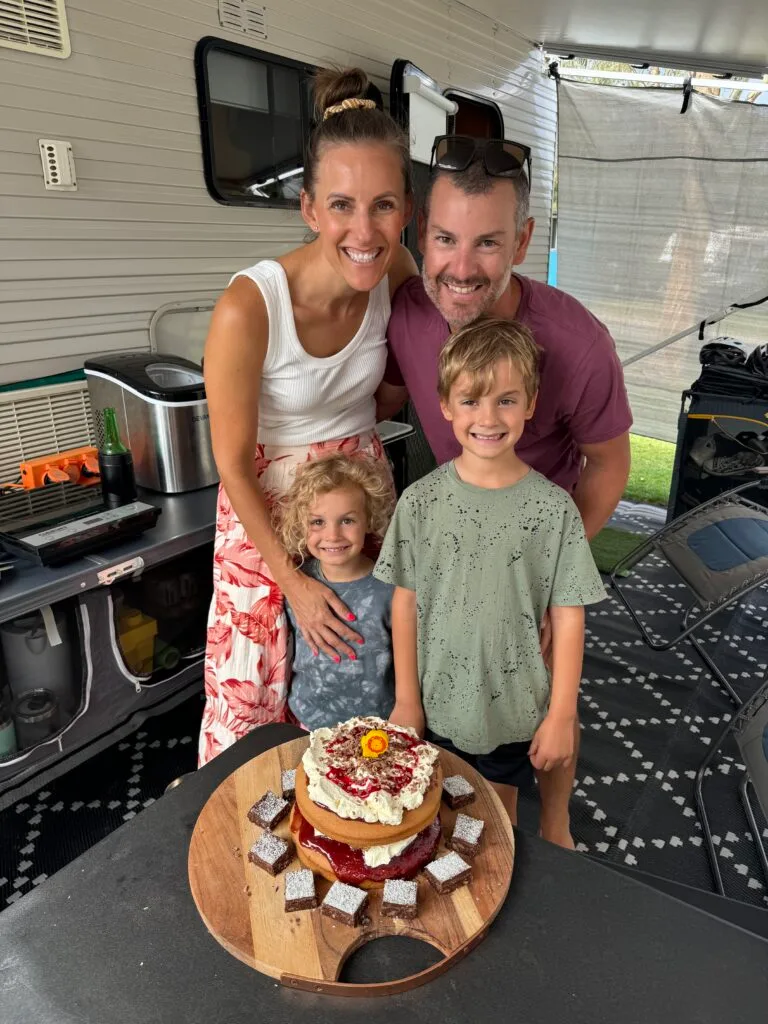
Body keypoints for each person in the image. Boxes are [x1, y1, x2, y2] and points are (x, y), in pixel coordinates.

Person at [199, 67, 417, 766]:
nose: (364, 229)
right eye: (343, 205)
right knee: (252, 689)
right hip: (266, 506)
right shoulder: (250, 304)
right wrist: (290, 579)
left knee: (365, 671)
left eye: (383, 206)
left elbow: (406, 379)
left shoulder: (398, 273)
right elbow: (231, 461)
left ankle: (359, 825)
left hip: (359, 496)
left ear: (406, 211)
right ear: (309, 208)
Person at [374, 318, 606, 847]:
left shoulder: (553, 509)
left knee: (499, 839)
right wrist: (407, 700)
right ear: (445, 405)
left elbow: (569, 617)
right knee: (437, 829)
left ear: (530, 404)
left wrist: (562, 713)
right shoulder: (420, 503)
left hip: (516, 708)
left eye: (506, 400)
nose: (488, 417)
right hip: (436, 708)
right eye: (472, 400)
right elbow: (404, 605)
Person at [378, 136, 632, 542]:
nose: (461, 270)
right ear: (422, 231)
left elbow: (608, 463)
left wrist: (557, 566)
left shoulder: (581, 346)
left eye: (488, 243)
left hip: (535, 537)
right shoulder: (407, 311)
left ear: (522, 241)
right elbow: (379, 402)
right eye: (445, 238)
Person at [278, 453, 396, 730]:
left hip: (377, 726)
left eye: (347, 521)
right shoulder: (297, 584)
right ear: (302, 524)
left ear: (369, 520)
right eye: (317, 522)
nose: (332, 535)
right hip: (308, 722)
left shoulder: (391, 587)